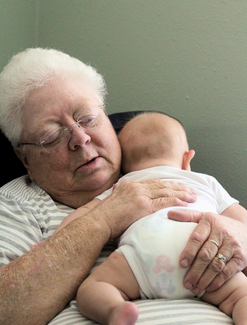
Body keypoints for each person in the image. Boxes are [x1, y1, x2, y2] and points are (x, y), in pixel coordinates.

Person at [0, 48, 246, 325]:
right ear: (24, 158)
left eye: (88, 119)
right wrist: (104, 218)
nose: (80, 138)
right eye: (52, 135)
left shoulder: (184, 178)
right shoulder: (16, 205)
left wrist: (241, 235)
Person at [54, 112, 247, 325]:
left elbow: (83, 217)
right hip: (205, 257)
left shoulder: (123, 186)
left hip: (142, 257)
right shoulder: (205, 181)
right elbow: (242, 224)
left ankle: (115, 311)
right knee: (241, 297)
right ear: (187, 158)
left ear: (123, 166)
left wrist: (52, 241)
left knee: (92, 289)